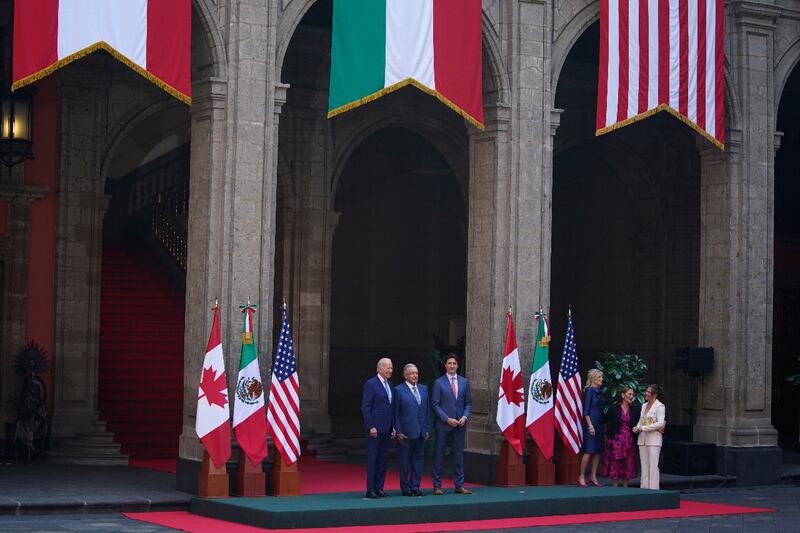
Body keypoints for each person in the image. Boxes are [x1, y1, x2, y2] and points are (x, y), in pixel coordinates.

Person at [431, 353, 473, 495]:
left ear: (458, 365)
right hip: (444, 424)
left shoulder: (464, 382)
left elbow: (468, 404)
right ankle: (437, 486)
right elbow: (435, 404)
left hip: (460, 424)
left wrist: (464, 417)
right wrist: (446, 419)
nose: (452, 366)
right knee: (439, 455)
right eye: (449, 363)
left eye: (454, 363)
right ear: (445, 365)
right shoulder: (438, 382)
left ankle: (459, 485)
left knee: (458, 456)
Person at [361, 357, 396, 499]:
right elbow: (366, 406)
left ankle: (380, 488)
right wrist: (371, 426)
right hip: (375, 429)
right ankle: (371, 490)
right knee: (373, 460)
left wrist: (393, 426)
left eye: (391, 368)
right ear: (379, 368)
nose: (390, 370)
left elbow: (391, 408)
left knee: (383, 460)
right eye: (388, 368)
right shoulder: (371, 384)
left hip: (387, 428)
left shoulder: (390, 385)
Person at [394, 363, 430, 496]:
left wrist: (427, 429)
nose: (415, 375)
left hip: (421, 432)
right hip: (406, 433)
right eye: (412, 373)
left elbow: (426, 411)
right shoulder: (398, 390)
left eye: (416, 373)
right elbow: (395, 414)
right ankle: (405, 487)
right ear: (405, 375)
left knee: (418, 461)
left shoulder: (424, 389)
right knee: (405, 462)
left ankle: (415, 486)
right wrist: (398, 432)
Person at [601, 387, 640, 487]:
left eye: (632, 395)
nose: (631, 396)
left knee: (628, 462)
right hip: (616, 439)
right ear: (623, 395)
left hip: (629, 440)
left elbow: (639, 423)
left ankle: (625, 488)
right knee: (615, 463)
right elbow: (604, 420)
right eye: (629, 394)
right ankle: (615, 488)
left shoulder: (635, 409)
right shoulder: (614, 408)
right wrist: (606, 436)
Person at [633, 383, 666, 489]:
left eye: (648, 392)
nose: (646, 394)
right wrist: (637, 427)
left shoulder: (660, 406)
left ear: (654, 394)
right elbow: (641, 421)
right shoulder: (643, 406)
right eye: (646, 391)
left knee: (653, 466)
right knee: (644, 465)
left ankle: (654, 490)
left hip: (654, 440)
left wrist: (643, 428)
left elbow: (660, 423)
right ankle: (644, 489)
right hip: (642, 439)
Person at [578, 368, 604, 487]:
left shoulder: (599, 391)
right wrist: (590, 426)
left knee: (597, 450)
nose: (602, 379)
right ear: (593, 379)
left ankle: (593, 476)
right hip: (591, 422)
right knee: (589, 450)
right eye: (599, 377)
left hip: (599, 422)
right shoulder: (589, 391)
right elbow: (586, 410)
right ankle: (581, 475)